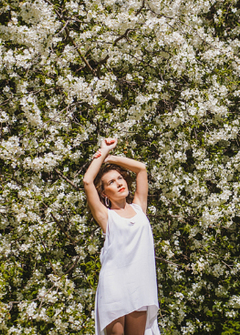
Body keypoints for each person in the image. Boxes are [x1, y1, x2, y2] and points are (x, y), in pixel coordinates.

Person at [83, 137, 160, 335]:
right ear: (104, 193)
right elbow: (87, 181)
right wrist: (101, 153)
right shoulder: (106, 217)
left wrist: (111, 156)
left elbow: (141, 169)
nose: (118, 183)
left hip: (140, 285)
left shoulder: (139, 208)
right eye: (111, 182)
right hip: (114, 286)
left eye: (120, 178)